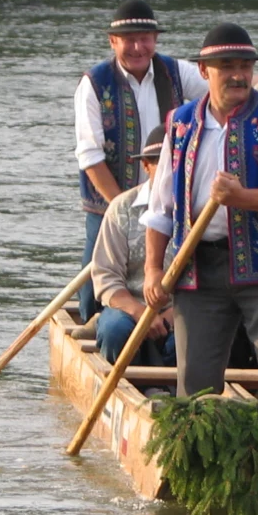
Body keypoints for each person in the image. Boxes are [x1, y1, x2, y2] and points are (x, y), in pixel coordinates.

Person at [141, 22, 258, 396]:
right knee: (196, 387)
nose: (238, 75)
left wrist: (241, 197)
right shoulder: (181, 124)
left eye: (245, 66)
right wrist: (153, 269)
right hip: (199, 267)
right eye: (227, 66)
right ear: (204, 71)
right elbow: (161, 207)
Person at [74, 0, 210, 321]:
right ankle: (97, 334)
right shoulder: (94, 84)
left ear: (156, 40)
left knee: (174, 282)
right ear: (113, 42)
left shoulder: (175, 72)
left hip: (172, 205)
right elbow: (91, 158)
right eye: (129, 39)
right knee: (95, 287)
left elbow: (222, 91)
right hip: (113, 205)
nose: (137, 47)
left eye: (145, 38)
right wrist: (123, 206)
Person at [90, 127, 175, 367]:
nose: (171, 173)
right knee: (115, 331)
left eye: (176, 164)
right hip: (127, 307)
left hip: (181, 310)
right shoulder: (122, 208)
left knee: (186, 343)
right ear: (146, 166)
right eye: (163, 164)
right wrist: (140, 314)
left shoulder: (196, 212)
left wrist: (168, 318)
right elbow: (106, 277)